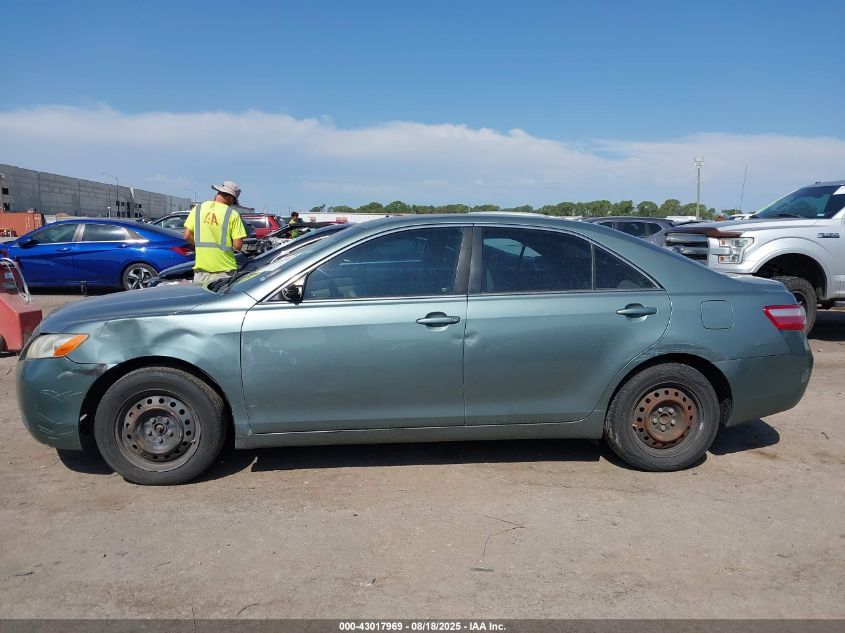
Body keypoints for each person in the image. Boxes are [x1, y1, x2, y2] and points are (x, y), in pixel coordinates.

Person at [183, 180, 248, 284]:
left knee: (202, 300)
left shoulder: (199, 208)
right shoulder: (232, 214)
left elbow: (186, 235)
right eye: (234, 201)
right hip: (224, 270)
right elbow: (238, 245)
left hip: (201, 271)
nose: (232, 204)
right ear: (230, 197)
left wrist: (200, 245)